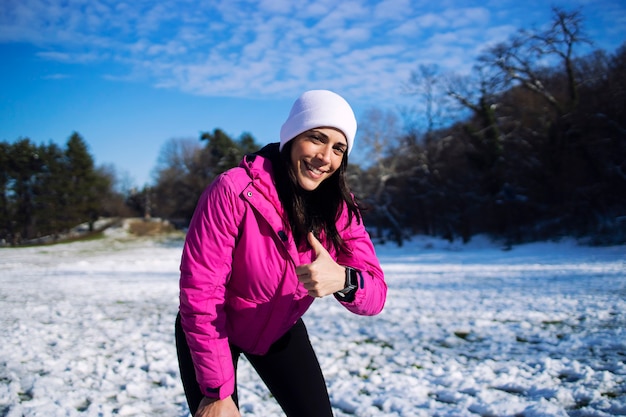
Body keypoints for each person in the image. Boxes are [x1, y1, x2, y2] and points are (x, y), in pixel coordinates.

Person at [175, 89, 387, 417]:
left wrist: (345, 280)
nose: (325, 157)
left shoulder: (340, 210)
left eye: (338, 148)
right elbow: (202, 293)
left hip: (279, 328)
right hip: (216, 326)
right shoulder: (233, 191)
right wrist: (216, 392)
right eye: (316, 138)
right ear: (291, 137)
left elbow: (376, 293)